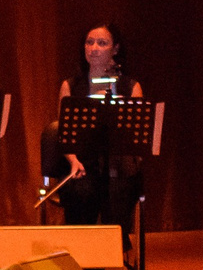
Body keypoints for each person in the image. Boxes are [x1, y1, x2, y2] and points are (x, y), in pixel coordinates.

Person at [41, 23, 147, 228]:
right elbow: (65, 133)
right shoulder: (70, 86)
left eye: (102, 43)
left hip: (118, 165)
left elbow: (136, 136)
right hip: (81, 164)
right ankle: (82, 252)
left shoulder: (131, 87)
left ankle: (115, 250)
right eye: (89, 42)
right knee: (80, 190)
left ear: (115, 49)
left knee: (118, 189)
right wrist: (73, 161)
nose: (94, 48)